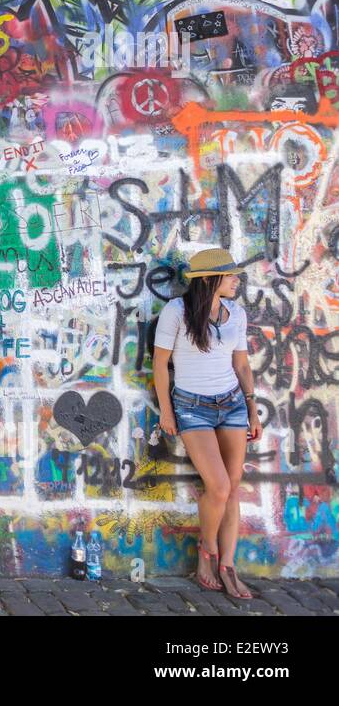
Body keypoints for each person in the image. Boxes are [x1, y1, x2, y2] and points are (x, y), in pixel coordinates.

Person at [153, 247, 262, 599]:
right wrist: (166, 411)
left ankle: (228, 565)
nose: (236, 279)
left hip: (231, 404)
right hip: (192, 407)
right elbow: (160, 364)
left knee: (231, 487)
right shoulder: (177, 312)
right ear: (210, 279)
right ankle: (207, 550)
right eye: (230, 274)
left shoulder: (236, 314)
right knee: (217, 487)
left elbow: (242, 366)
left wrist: (252, 409)